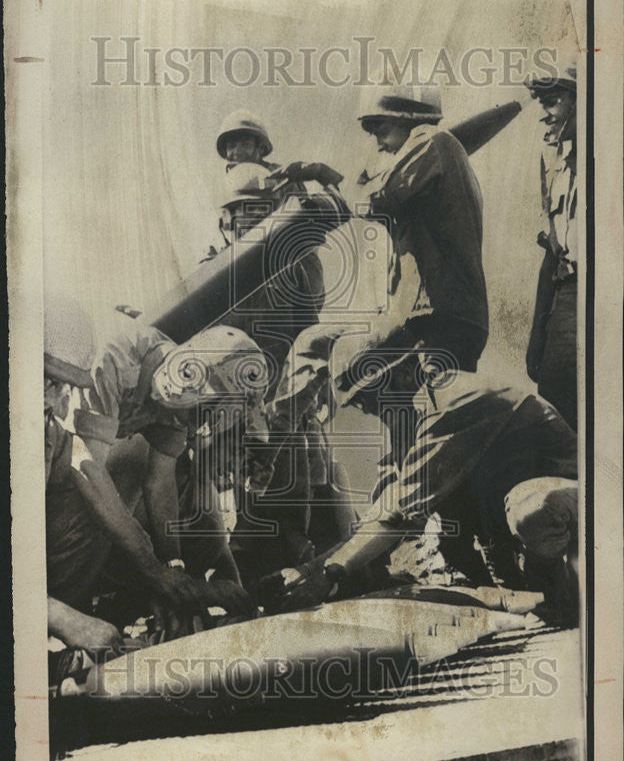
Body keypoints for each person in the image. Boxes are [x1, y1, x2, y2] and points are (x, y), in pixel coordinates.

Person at [265, 327, 579, 623]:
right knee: (450, 538)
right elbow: (385, 509)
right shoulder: (417, 413)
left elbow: (399, 516)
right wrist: (309, 568)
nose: (370, 411)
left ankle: (558, 593)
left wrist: (330, 574)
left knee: (533, 507)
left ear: (402, 374)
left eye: (369, 399)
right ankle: (538, 592)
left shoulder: (453, 399)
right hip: (530, 529)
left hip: (576, 512)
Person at [45, 296, 255, 650]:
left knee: (128, 502)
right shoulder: (113, 360)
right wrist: (151, 570)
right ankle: (53, 616)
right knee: (101, 508)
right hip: (63, 479)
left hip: (79, 471)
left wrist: (173, 570)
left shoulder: (182, 398)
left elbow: (161, 483)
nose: (190, 419)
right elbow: (88, 473)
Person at [212, 112, 350, 578]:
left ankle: (322, 559)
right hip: (232, 399)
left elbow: (310, 336)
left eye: (256, 212)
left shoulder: (293, 262)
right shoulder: (210, 271)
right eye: (237, 215)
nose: (244, 223)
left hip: (285, 390)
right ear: (224, 219)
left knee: (309, 483)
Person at [357, 84, 488, 373]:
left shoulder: (432, 142)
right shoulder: (442, 152)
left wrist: (364, 178)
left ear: (407, 120)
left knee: (437, 410)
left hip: (441, 317)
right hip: (440, 315)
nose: (380, 145)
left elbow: (375, 202)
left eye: (382, 131)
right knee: (426, 409)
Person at [524, 63, 577, 430]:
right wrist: (536, 335)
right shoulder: (553, 162)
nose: (544, 115)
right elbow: (552, 252)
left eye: (553, 102)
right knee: (555, 406)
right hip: (566, 299)